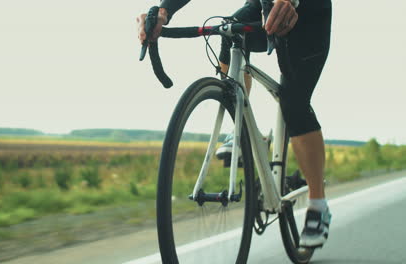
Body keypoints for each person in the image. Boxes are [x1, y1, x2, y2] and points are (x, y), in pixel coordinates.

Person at [137, 0, 332, 248]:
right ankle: (240, 128)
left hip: (310, 13)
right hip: (263, 5)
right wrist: (164, 11)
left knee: (294, 102)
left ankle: (318, 204)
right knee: (229, 31)